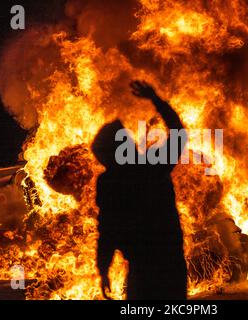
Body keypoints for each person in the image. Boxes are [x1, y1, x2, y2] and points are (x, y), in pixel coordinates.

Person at [92, 80, 187, 300]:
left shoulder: (109, 182)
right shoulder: (154, 166)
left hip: (143, 268)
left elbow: (107, 231)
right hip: (169, 264)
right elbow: (179, 133)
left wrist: (103, 269)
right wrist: (156, 100)